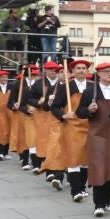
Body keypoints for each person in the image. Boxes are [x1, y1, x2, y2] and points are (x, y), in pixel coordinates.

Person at [76, 62, 110, 216]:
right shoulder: (90, 92)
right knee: (98, 167)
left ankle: (108, 200)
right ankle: (98, 204)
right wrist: (88, 109)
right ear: (99, 74)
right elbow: (79, 112)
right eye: (107, 71)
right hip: (97, 134)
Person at [47, 60, 93, 201]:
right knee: (73, 158)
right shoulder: (65, 87)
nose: (80, 70)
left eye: (83, 68)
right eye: (78, 68)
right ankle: (75, 190)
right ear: (73, 71)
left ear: (87, 71)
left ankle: (82, 187)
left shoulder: (93, 87)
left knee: (85, 160)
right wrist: (63, 115)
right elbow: (54, 107)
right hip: (71, 126)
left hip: (89, 125)